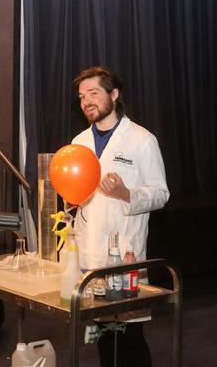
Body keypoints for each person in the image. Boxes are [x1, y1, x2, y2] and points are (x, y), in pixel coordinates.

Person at [71, 66, 169, 367]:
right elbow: (77, 194)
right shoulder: (78, 143)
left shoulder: (142, 140)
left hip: (124, 255)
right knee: (100, 333)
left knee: (128, 334)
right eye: (82, 96)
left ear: (114, 95)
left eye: (94, 93)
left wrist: (126, 193)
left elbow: (161, 193)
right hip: (90, 254)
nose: (87, 101)